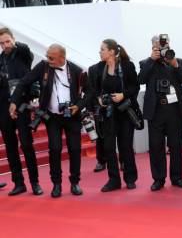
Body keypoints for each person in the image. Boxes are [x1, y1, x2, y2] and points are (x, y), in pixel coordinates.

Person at [9, 44, 87, 198]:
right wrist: (14, 101)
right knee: (55, 149)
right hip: (52, 117)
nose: (48, 59)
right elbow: (24, 82)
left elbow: (90, 91)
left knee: (75, 149)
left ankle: (74, 182)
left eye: (51, 57)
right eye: (47, 56)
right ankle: (56, 184)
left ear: (62, 58)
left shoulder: (77, 71)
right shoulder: (43, 67)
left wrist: (78, 106)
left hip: (72, 116)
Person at [139, 35, 182, 191]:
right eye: (159, 45)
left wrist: (175, 65)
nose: (162, 48)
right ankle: (158, 179)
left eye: (165, 44)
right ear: (153, 47)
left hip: (174, 110)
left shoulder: (176, 61)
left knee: (175, 145)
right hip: (156, 111)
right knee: (156, 146)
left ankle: (177, 177)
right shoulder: (146, 63)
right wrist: (151, 60)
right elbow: (140, 80)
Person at [87, 39, 139, 192]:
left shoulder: (127, 65)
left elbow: (135, 87)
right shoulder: (99, 67)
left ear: (111, 51)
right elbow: (94, 88)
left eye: (102, 49)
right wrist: (98, 99)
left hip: (124, 111)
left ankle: (130, 178)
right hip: (108, 113)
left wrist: (123, 95)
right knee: (109, 147)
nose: (100, 52)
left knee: (125, 146)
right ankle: (113, 180)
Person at [0, 27, 41, 196]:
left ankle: (35, 183)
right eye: (2, 43)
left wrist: (15, 45)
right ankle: (18, 183)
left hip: (22, 104)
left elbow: (24, 49)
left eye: (8, 41)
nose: (5, 45)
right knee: (10, 146)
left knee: (26, 144)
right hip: (3, 107)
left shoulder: (22, 54)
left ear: (13, 40)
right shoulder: (0, 60)